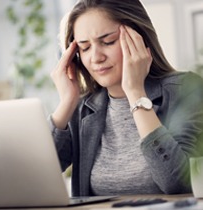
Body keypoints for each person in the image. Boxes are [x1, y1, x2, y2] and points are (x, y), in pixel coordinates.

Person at [49, 0, 203, 197]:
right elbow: (33, 178)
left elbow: (178, 182)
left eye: (108, 41)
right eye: (85, 47)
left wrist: (135, 93)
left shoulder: (186, 90)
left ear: (139, 39)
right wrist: (67, 103)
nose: (96, 57)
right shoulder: (83, 108)